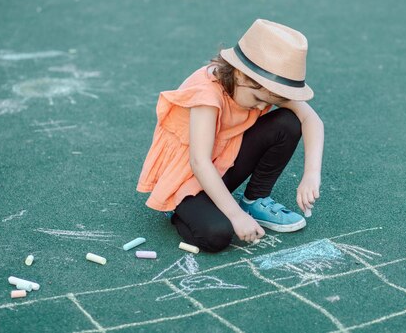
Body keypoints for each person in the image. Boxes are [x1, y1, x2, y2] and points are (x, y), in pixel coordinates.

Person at [136, 19, 324, 252]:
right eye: (258, 101)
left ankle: (254, 201)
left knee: (288, 121)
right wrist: (234, 216)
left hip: (224, 163)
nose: (259, 109)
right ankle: (181, 211)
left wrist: (311, 174)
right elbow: (199, 162)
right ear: (240, 76)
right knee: (217, 235)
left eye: (267, 103)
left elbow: (312, 120)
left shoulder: (262, 87)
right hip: (188, 178)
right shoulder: (207, 94)